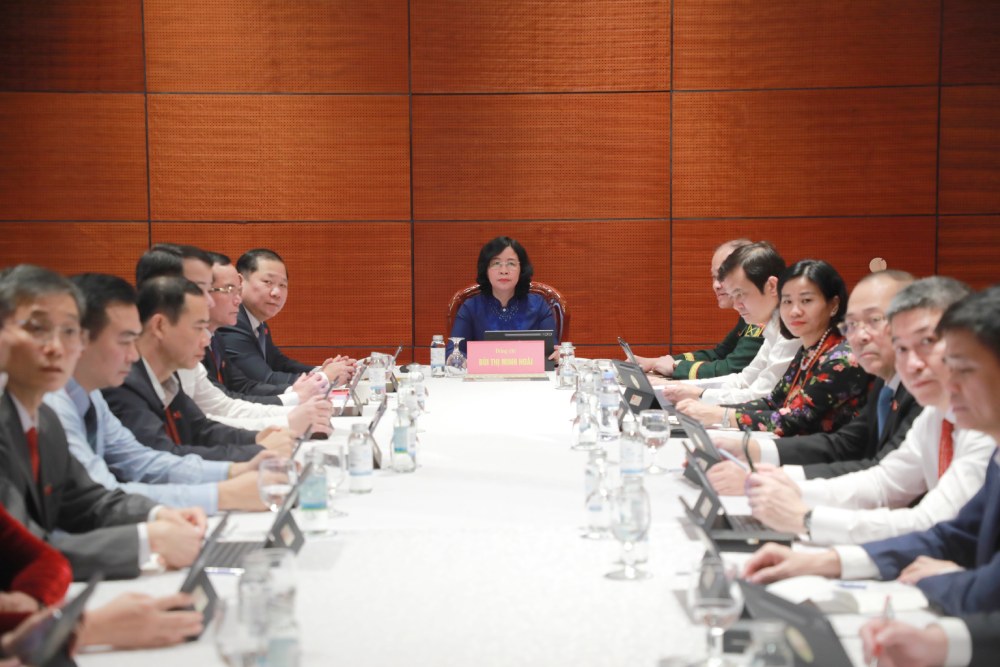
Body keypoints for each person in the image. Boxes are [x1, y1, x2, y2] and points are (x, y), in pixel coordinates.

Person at [742, 286, 1000, 618]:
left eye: (929, 345)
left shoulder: (979, 428)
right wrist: (826, 556)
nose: (914, 363)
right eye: (902, 347)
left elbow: (935, 525)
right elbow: (892, 486)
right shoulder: (940, 412)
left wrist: (806, 517)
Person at [0, 265, 203, 580]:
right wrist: (146, 541)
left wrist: (159, 514)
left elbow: (89, 501)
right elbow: (20, 555)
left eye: (68, 331)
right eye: (37, 328)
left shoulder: (45, 420)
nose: (57, 347)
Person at [44, 273, 272, 514]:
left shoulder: (92, 395)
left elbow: (141, 461)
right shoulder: (55, 405)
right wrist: (223, 495)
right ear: (78, 338)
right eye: (124, 341)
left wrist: (233, 471)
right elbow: (102, 494)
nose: (133, 356)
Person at [707, 270, 921, 492]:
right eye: (853, 324)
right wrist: (753, 452)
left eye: (874, 320)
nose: (860, 336)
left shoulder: (849, 360)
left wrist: (766, 478)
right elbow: (846, 443)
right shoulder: (885, 380)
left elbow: (886, 478)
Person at [678, 259, 872, 436]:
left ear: (834, 305)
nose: (794, 311)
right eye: (787, 301)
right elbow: (772, 401)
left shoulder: (840, 358)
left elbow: (795, 419)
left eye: (806, 301)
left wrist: (722, 415)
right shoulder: (809, 349)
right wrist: (715, 410)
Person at [103, 276, 284, 463]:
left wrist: (258, 438)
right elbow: (163, 458)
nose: (206, 341)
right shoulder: (124, 384)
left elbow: (200, 429)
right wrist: (258, 451)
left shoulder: (168, 375)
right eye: (198, 328)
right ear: (159, 326)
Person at [657, 241, 801, 405]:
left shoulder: (793, 329)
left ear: (772, 286)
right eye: (734, 295)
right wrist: (683, 388)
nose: (736, 304)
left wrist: (702, 397)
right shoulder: (775, 325)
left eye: (740, 294)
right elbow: (744, 380)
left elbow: (762, 396)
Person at [217, 248, 355, 390]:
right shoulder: (232, 322)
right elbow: (264, 378)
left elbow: (279, 363)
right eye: (268, 282)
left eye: (282, 285)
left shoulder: (258, 323)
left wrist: (319, 371)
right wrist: (324, 378)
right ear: (240, 282)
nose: (276, 292)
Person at [634, 239, 764, 379]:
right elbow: (720, 353)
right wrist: (657, 362)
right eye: (714, 276)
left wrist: (677, 367)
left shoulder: (761, 314)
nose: (716, 285)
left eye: (722, 276)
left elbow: (732, 368)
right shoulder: (749, 312)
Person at [447, 236, 556, 356]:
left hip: (527, 375)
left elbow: (551, 353)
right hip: (483, 374)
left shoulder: (539, 306)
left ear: (522, 269)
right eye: (496, 263)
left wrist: (556, 355)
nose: (503, 270)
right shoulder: (471, 307)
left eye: (511, 263)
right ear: (486, 269)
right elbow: (452, 353)